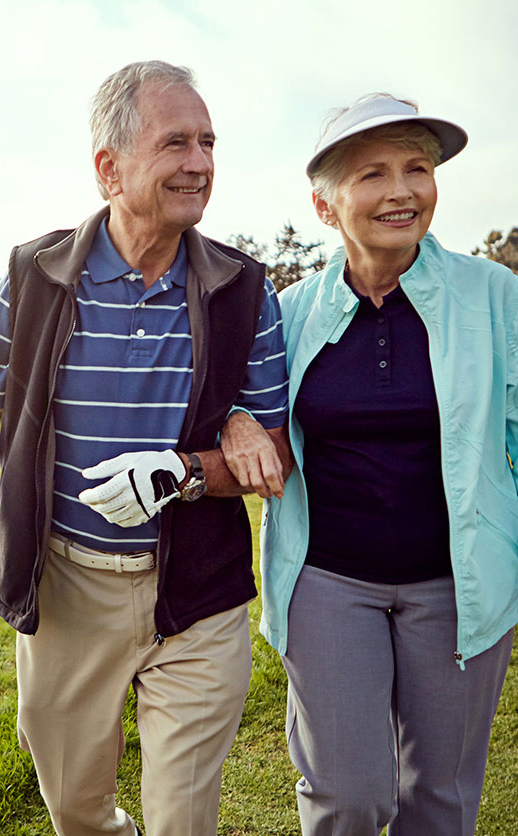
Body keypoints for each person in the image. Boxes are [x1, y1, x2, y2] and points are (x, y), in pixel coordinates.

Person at [0, 60, 291, 836]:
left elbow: (276, 457)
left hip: (197, 596)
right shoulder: (33, 275)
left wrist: (185, 471)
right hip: (67, 590)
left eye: (208, 143)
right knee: (75, 809)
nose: (199, 163)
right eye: (175, 144)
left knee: (183, 821)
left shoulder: (244, 288)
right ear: (110, 167)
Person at [221, 94, 518, 835]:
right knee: (349, 797)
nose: (402, 191)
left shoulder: (495, 297)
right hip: (329, 582)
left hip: (460, 584)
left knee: (440, 801)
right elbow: (236, 405)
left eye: (418, 168)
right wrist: (234, 424)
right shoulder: (284, 313)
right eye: (374, 174)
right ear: (325, 206)